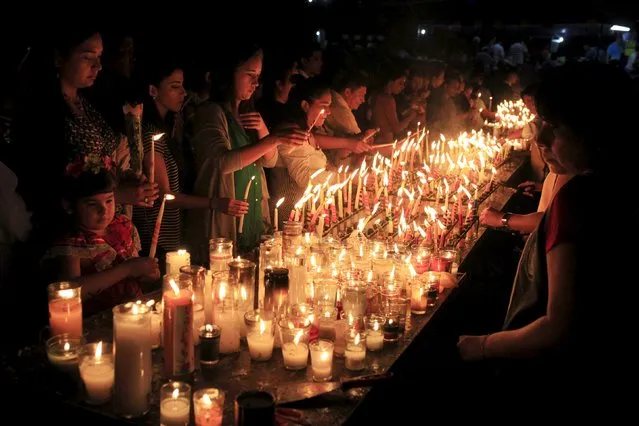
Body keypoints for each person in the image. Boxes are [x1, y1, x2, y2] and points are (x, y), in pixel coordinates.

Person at [458, 62, 637, 400]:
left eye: (554, 127)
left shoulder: (579, 199)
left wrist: (482, 345)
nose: (540, 139)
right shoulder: (618, 183)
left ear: (592, 132)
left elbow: (558, 327)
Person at [187, 44, 307, 256]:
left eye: (258, 75)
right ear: (227, 74)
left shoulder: (246, 113)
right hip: (226, 216)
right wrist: (274, 139)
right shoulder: (211, 112)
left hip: (252, 215)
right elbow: (221, 162)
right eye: (249, 74)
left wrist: (263, 131)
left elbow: (268, 161)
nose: (256, 82)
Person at [132, 60, 248, 255]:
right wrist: (214, 203)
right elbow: (164, 195)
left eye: (183, 86)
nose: (184, 93)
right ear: (153, 90)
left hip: (170, 231)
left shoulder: (169, 130)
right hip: (156, 237)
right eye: (175, 87)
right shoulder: (150, 135)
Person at [42, 154, 160, 315]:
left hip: (133, 315)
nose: (104, 211)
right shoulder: (72, 243)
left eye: (109, 201)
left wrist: (146, 272)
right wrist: (126, 269)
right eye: (92, 204)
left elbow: (135, 273)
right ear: (69, 205)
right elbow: (70, 292)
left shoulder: (124, 225)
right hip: (97, 321)